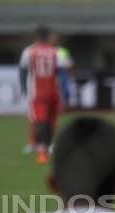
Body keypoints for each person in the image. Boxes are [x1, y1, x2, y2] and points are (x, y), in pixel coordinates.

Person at [19, 25, 71, 164]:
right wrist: (66, 93)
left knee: (40, 122)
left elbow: (23, 71)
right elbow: (63, 75)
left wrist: (24, 88)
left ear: (36, 37)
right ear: (48, 37)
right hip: (53, 92)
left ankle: (42, 151)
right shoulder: (57, 52)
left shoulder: (29, 52)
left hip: (37, 93)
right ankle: (48, 147)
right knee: (50, 121)